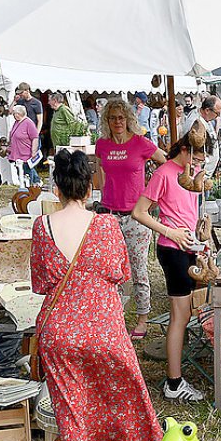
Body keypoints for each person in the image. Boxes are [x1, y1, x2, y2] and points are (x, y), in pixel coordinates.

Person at [31, 149, 168, 441]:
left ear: (57, 190)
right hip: (104, 327)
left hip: (59, 330)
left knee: (71, 404)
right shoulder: (106, 225)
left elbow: (41, 282)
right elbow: (120, 273)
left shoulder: (42, 226)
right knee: (125, 389)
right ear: (90, 188)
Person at [132, 132, 208, 403]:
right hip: (172, 249)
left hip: (189, 247)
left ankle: (177, 374)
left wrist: (199, 233)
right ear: (185, 151)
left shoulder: (191, 174)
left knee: (186, 314)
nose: (198, 165)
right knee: (179, 317)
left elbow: (188, 210)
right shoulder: (164, 173)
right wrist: (171, 232)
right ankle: (174, 383)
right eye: (196, 159)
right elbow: (139, 212)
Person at [95, 98, 165, 341]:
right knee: (110, 270)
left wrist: (154, 195)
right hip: (110, 216)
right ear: (107, 120)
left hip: (137, 216)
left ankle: (143, 317)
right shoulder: (102, 145)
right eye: (112, 117)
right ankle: (113, 316)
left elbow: (166, 163)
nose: (117, 122)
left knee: (138, 269)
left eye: (121, 117)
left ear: (128, 119)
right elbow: (101, 174)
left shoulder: (140, 144)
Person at [6, 101, 41, 187]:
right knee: (20, 171)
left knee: (27, 172)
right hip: (17, 153)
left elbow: (35, 137)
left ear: (18, 114)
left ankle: (31, 186)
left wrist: (34, 151)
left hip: (25, 153)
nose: (13, 115)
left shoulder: (28, 123)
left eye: (14, 114)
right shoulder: (17, 122)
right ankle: (30, 184)